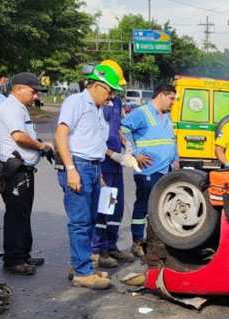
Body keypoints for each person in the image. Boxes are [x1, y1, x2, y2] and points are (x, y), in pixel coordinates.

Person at [55, 63, 123, 290]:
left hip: (93, 167)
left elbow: (94, 142)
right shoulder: (76, 102)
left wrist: (100, 174)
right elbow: (61, 134)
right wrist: (71, 169)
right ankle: (83, 273)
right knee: (80, 222)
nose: (111, 96)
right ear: (96, 85)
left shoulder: (96, 109)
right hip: (79, 166)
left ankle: (80, 264)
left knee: (91, 220)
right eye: (109, 91)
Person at [0, 72, 52, 275]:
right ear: (19, 89)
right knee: (16, 215)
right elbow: (19, 136)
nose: (36, 96)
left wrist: (42, 146)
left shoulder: (19, 108)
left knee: (24, 213)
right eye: (33, 92)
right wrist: (41, 146)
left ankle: (24, 254)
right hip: (15, 170)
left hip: (24, 169)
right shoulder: (11, 108)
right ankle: (13, 260)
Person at [121, 83, 179, 257]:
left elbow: (171, 139)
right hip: (148, 170)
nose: (173, 103)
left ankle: (155, 242)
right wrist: (134, 153)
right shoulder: (142, 113)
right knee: (143, 206)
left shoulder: (166, 116)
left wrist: (176, 159)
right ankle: (137, 242)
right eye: (171, 99)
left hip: (166, 169)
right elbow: (123, 130)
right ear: (161, 95)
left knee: (161, 207)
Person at [92, 59, 135, 266]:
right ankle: (98, 249)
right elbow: (96, 137)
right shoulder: (95, 104)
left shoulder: (116, 103)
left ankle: (111, 245)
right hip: (104, 162)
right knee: (103, 207)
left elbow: (116, 128)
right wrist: (113, 154)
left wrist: (126, 144)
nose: (115, 91)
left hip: (116, 164)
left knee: (115, 207)